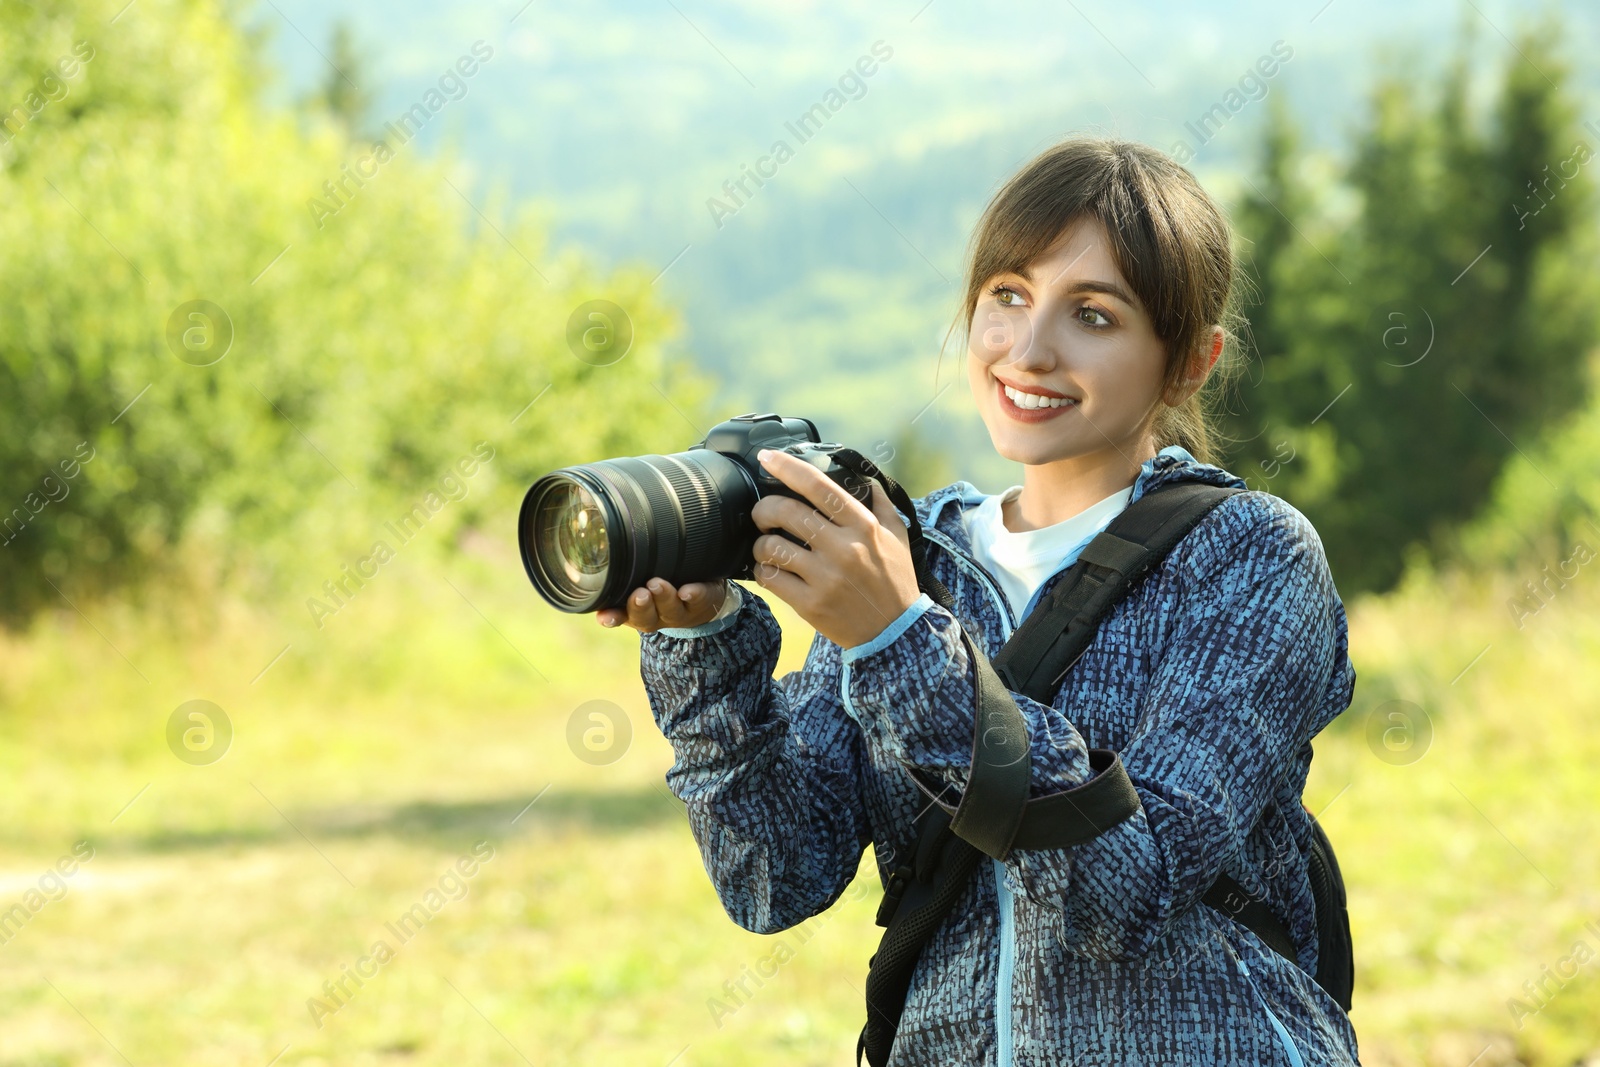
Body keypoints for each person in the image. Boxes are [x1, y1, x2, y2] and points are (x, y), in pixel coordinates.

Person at [596, 136, 1359, 1065]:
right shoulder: (918, 558)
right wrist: (706, 646)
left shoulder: (1249, 557)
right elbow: (776, 875)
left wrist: (900, 640)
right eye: (1008, 295)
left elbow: (1130, 890)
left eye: (1094, 315)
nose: (1029, 350)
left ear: (1190, 362)